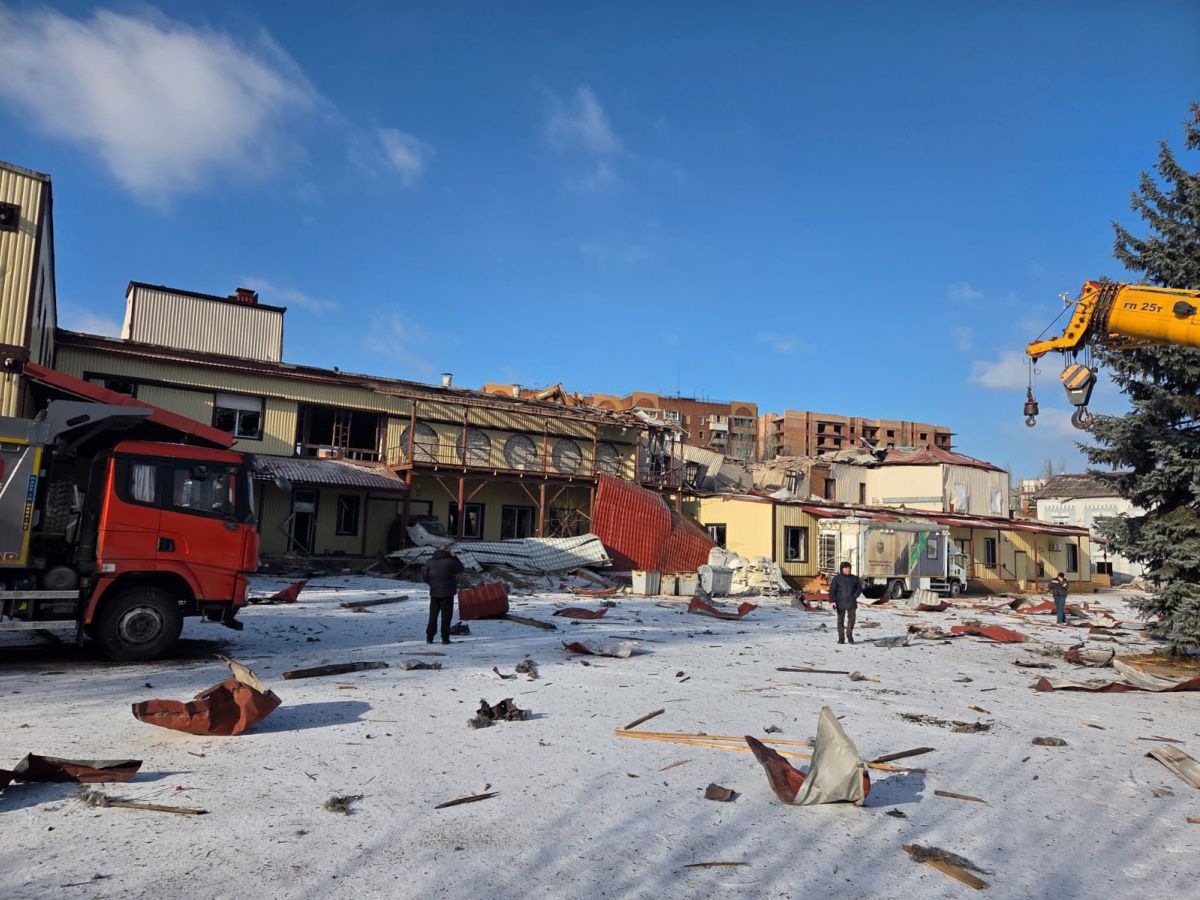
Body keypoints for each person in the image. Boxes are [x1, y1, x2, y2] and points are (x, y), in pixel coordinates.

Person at [421, 544, 464, 644]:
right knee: (446, 617)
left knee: (433, 616)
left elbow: (425, 576)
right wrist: (455, 557)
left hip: (435, 592)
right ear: (447, 551)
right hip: (448, 593)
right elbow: (461, 569)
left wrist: (432, 584)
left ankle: (429, 637)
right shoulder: (451, 561)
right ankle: (445, 638)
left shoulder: (430, 561)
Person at [828, 561, 864, 644]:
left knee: (852, 619)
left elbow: (859, 588)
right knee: (840, 621)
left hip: (851, 602)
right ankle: (841, 638)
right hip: (840, 602)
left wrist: (855, 595)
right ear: (842, 569)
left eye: (849, 568)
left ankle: (849, 635)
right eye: (846, 568)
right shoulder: (837, 579)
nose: (848, 569)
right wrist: (832, 601)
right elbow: (832, 590)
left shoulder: (854, 578)